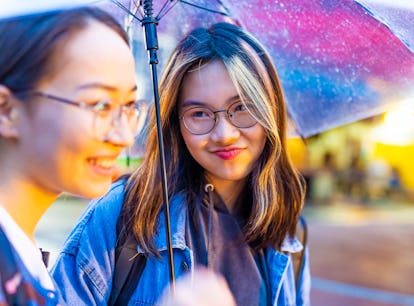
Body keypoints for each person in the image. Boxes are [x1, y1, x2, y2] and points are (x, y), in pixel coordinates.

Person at [52, 22, 311, 305]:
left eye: (242, 107)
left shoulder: (288, 230)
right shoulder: (123, 216)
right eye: (199, 114)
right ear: (176, 123)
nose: (224, 134)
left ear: (270, 109)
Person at [0, 6, 143, 304]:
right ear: (7, 110)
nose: (123, 137)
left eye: (129, 106)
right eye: (100, 105)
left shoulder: (22, 257)